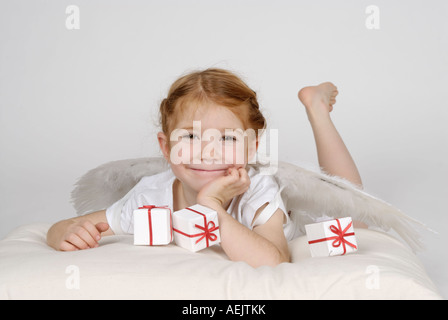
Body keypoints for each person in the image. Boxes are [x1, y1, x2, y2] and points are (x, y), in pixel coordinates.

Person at [46, 68, 363, 267]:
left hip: (299, 219)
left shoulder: (258, 191)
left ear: (251, 147)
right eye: (191, 137)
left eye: (226, 138)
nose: (207, 152)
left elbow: (273, 260)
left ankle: (317, 110)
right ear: (166, 147)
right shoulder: (149, 197)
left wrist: (211, 206)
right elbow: (70, 225)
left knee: (354, 211)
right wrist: (63, 232)